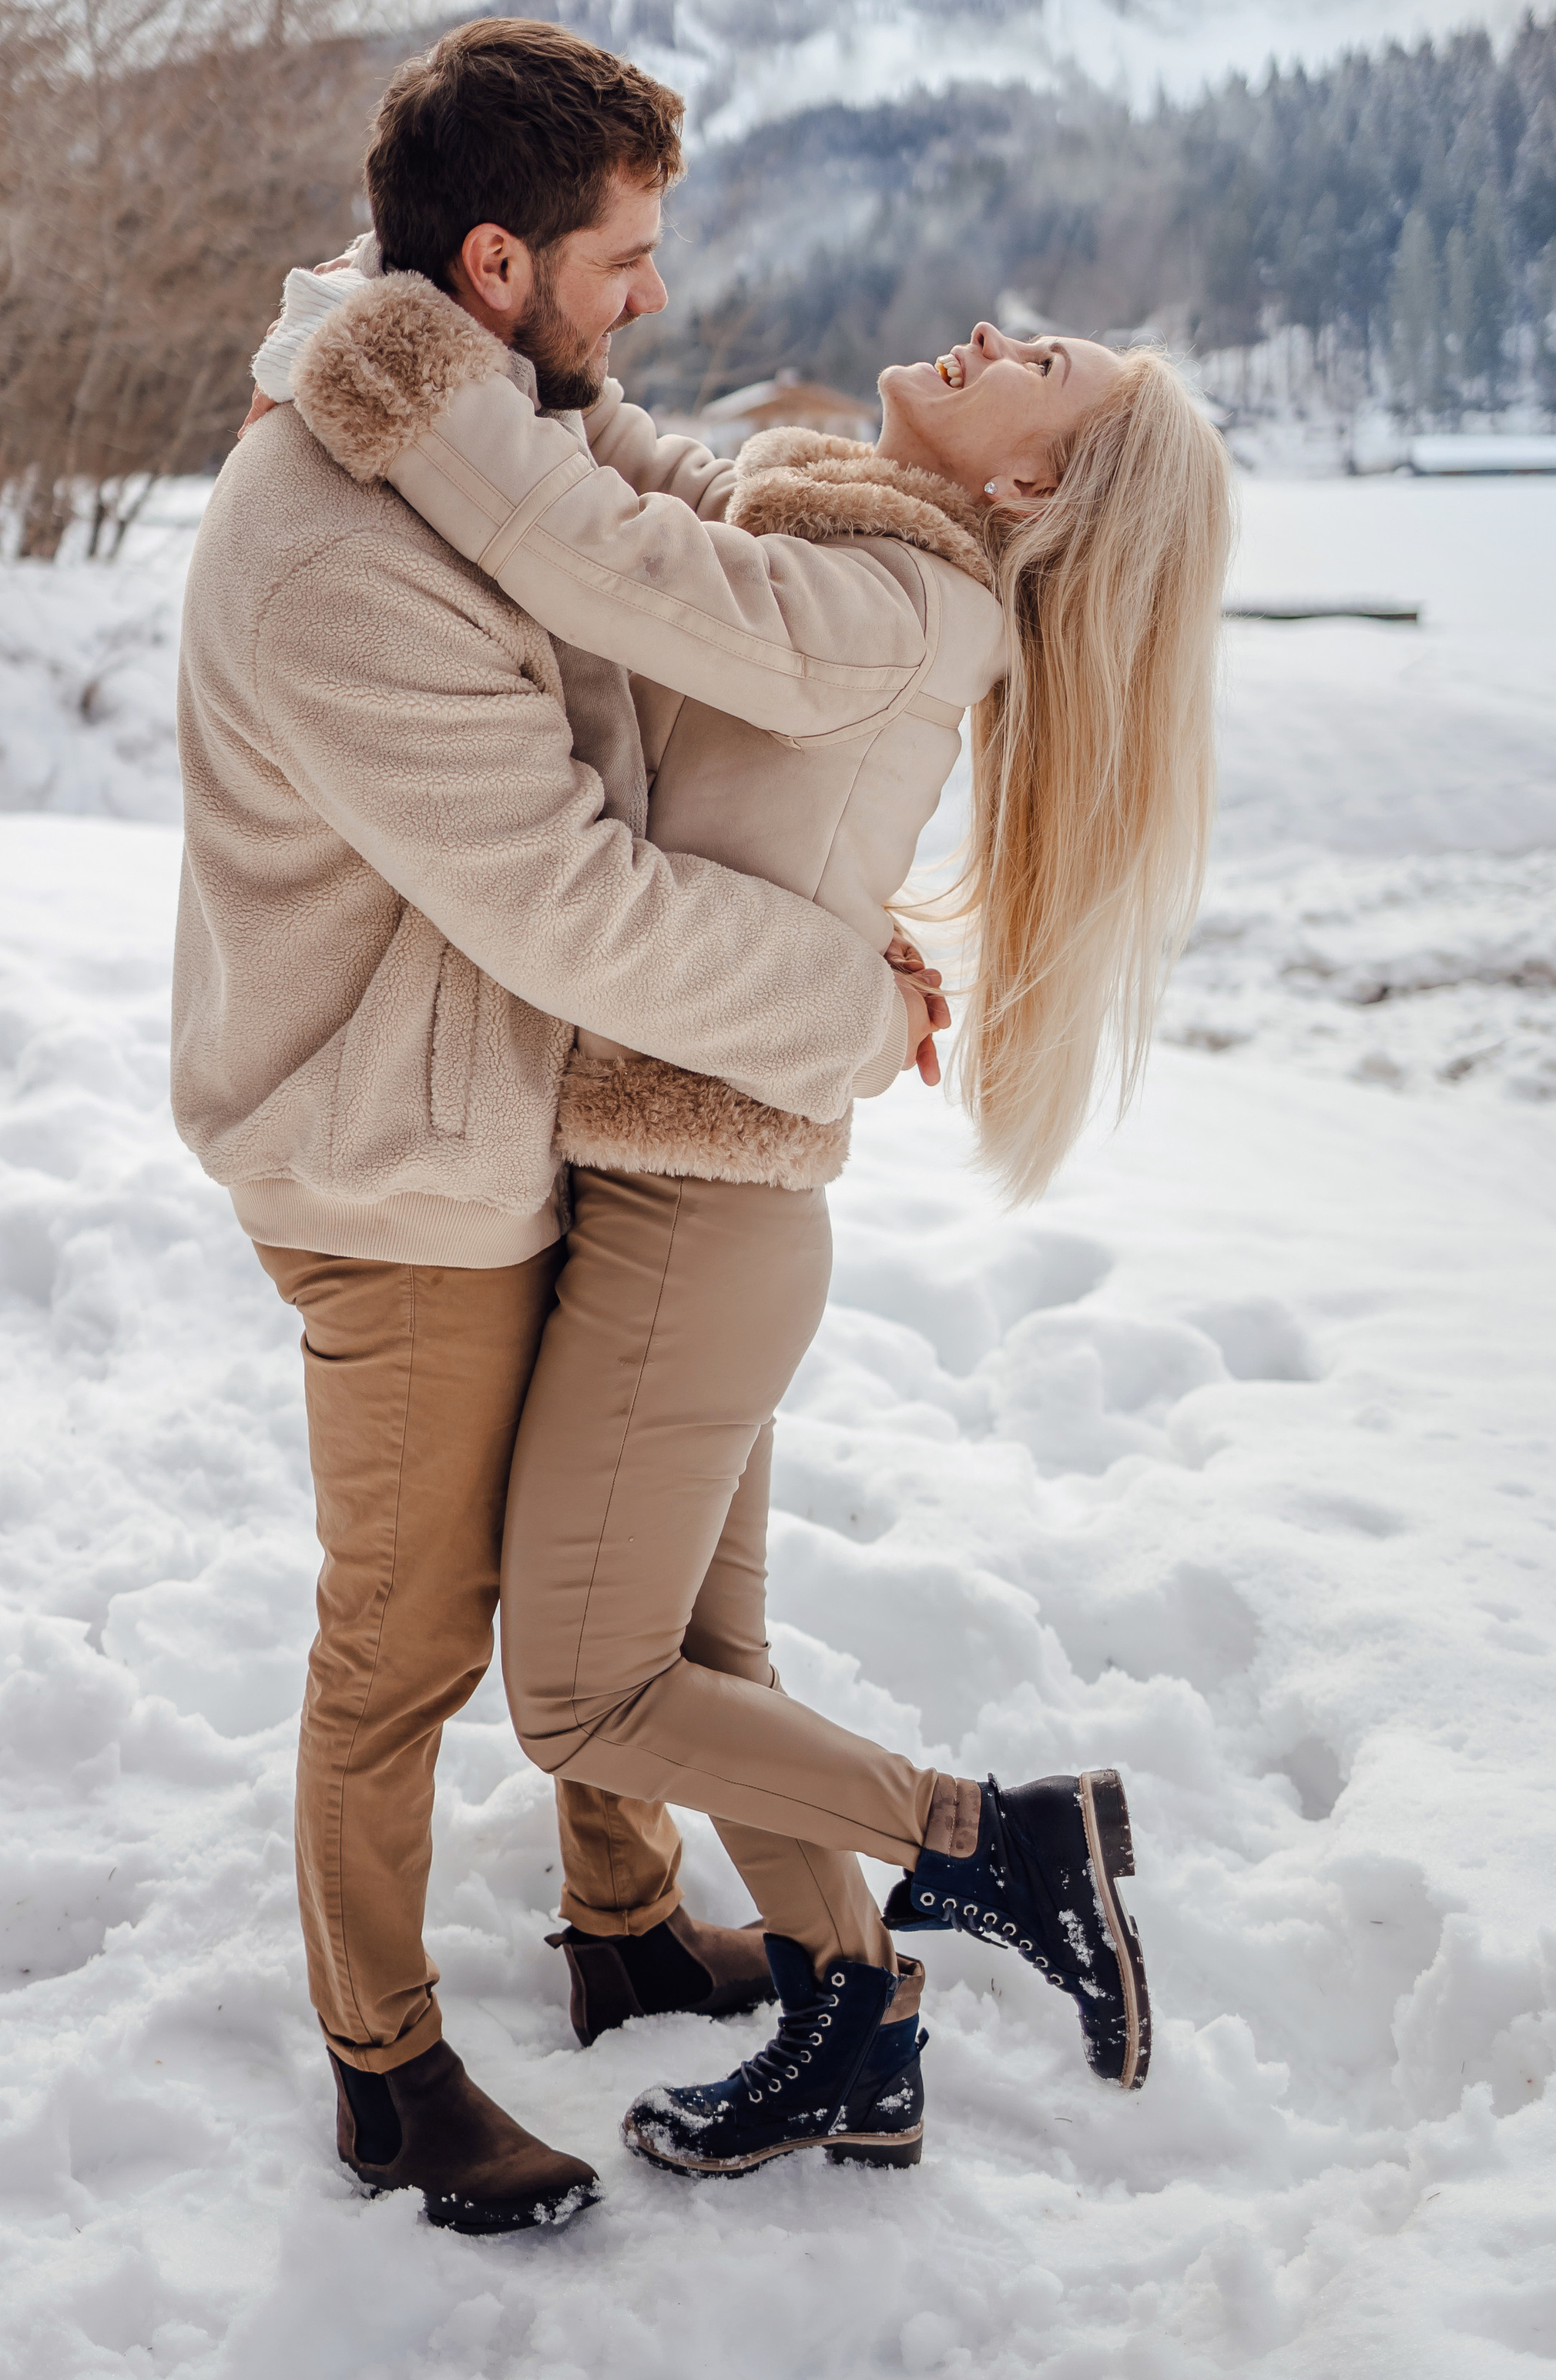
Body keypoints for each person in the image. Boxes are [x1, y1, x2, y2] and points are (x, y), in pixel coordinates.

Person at [283, 217, 1235, 2179]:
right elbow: (648, 489)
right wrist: (412, 326)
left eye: (1036, 355)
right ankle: (854, 2016)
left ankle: (998, 1840)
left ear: (1038, 478)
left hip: (692, 1217)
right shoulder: (859, 554)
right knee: (703, 1676)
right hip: (691, 1194)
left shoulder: (893, 608)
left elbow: (592, 557)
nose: (989, 329)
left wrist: (384, 367)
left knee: (584, 1691)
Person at [171, 21, 936, 2234]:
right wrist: (842, 1006)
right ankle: (386, 2070)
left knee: (627, 1552)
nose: (658, 299)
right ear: (497, 263)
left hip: (528, 1122)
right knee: (412, 1634)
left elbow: (669, 517)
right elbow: (574, 901)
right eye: (628, 258)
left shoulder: (505, 414)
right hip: (399, 1163)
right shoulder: (337, 551)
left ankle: (616, 1929)